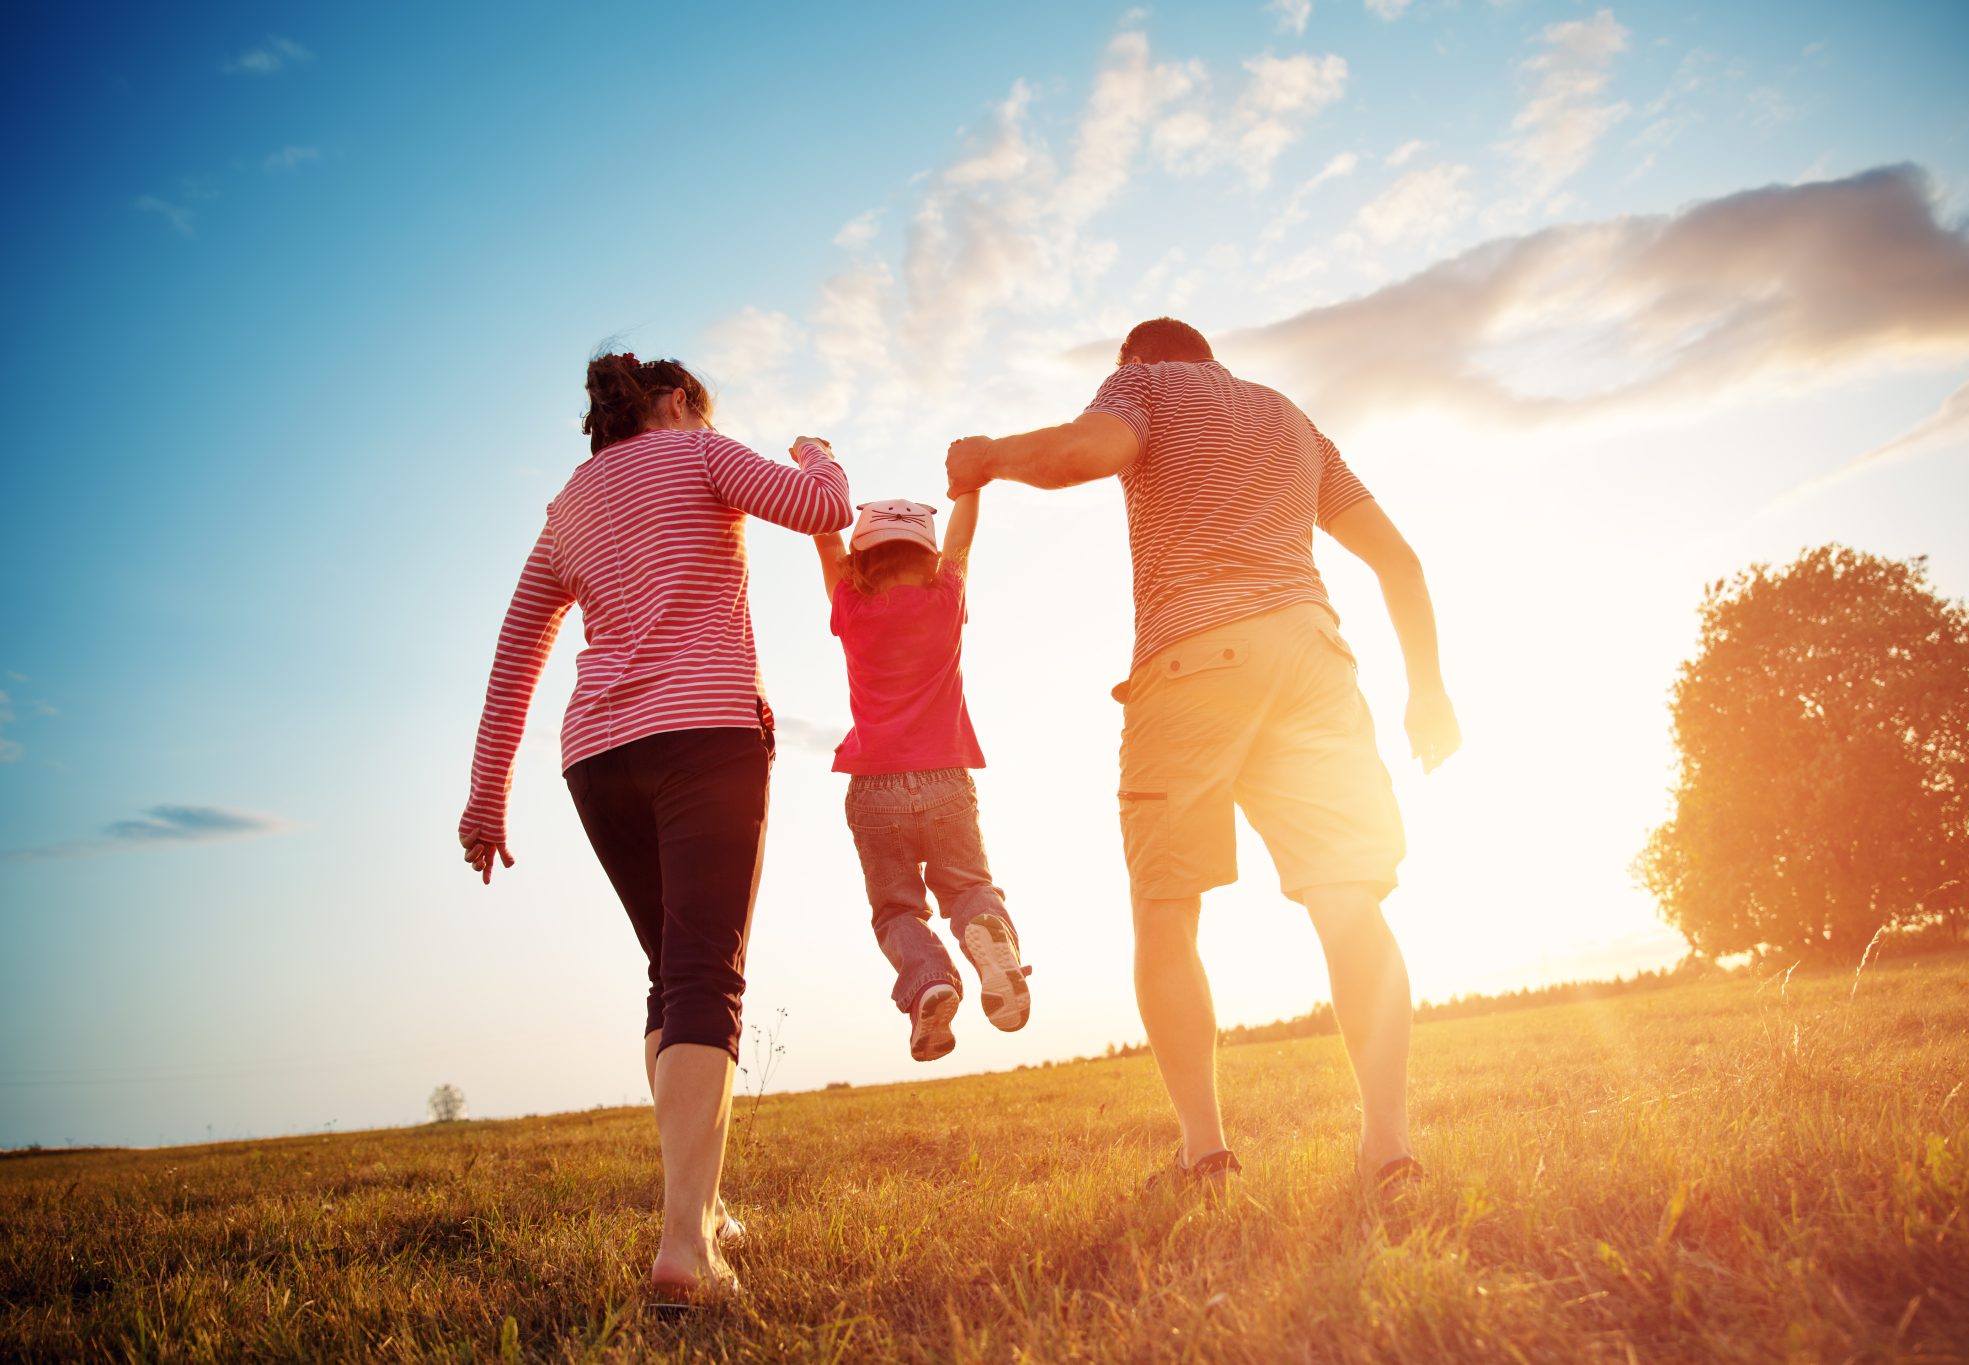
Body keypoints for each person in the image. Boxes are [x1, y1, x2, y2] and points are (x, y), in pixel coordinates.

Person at [945, 317, 1460, 1199]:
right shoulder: (1292, 419)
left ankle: (1206, 1155)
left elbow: (1083, 451)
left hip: (1193, 662)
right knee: (1347, 899)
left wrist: (987, 456)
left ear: (1136, 360)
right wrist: (1428, 690)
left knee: (1167, 909)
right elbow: (1399, 562)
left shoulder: (1143, 387)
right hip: (1313, 660)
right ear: (1211, 356)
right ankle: (1390, 1150)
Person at [457, 352, 852, 1302]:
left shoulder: (568, 505)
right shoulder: (699, 451)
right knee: (705, 972)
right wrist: (819, 452)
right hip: (704, 734)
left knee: (670, 975)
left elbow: (517, 651)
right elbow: (822, 509)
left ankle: (699, 1209)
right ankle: (685, 1248)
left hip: (597, 759)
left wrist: (485, 794)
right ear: (676, 403)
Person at [811, 490, 1031, 1063]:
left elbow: (825, 538)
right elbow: (962, 542)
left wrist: (814, 463)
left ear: (860, 564)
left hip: (874, 788)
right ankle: (988, 930)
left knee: (897, 910)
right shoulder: (945, 599)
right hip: (945, 780)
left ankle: (929, 981)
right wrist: (970, 487)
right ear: (928, 559)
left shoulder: (852, 611)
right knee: (968, 887)